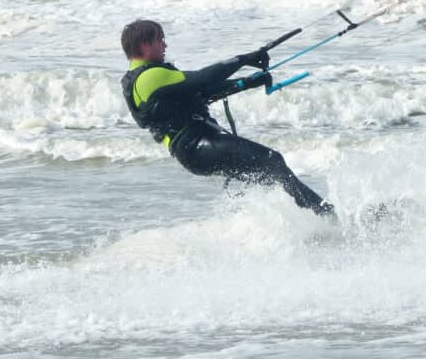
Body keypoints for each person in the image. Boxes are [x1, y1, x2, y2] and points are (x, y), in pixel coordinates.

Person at [120, 19, 335, 216]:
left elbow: (203, 92)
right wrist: (243, 59)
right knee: (273, 161)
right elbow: (203, 78)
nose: (165, 45)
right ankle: (326, 215)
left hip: (197, 150)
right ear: (145, 45)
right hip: (199, 145)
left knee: (270, 176)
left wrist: (246, 82)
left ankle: (298, 223)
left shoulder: (144, 79)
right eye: (160, 40)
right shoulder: (149, 76)